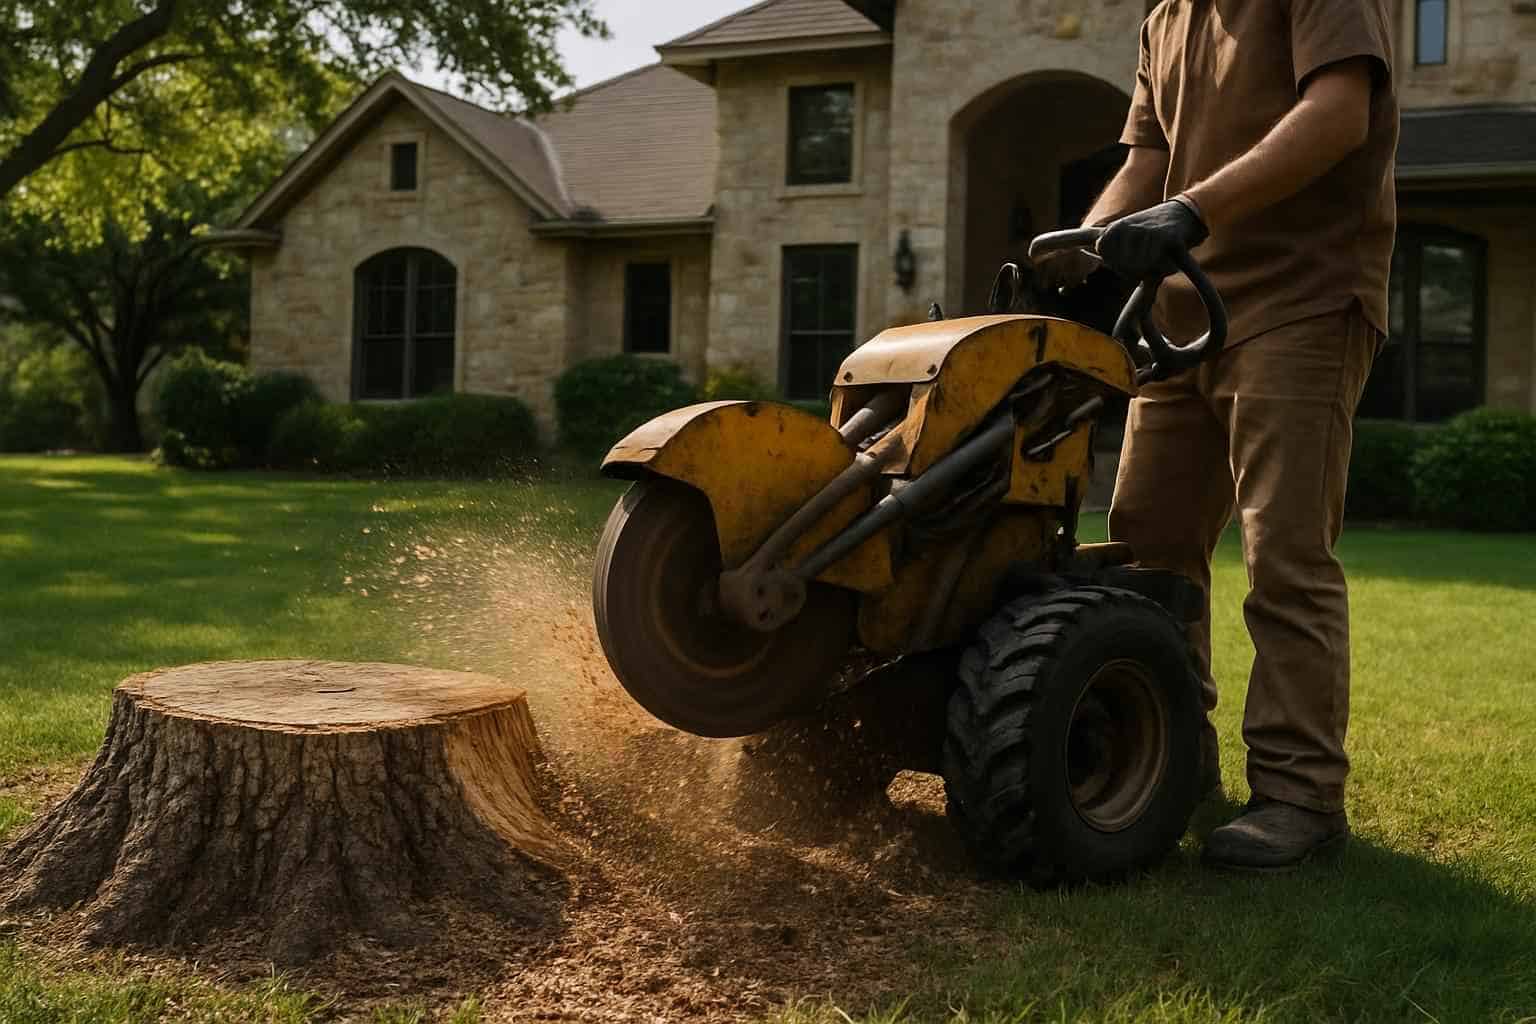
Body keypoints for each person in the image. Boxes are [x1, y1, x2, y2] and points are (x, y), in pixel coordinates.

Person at [1035, 0, 1399, 871]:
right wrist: (1088, 237)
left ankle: (1299, 795)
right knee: (1147, 548)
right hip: (1181, 314)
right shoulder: (1168, 14)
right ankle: (1174, 757)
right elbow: (1148, 159)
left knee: (1286, 555)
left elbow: (1339, 112)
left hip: (1303, 300)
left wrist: (1190, 212)